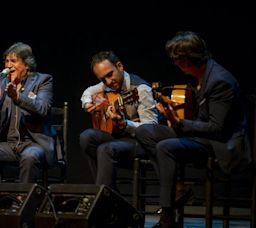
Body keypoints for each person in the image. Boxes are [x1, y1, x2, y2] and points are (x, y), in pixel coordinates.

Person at [135, 31, 251, 228]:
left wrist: (180, 124)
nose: (175, 64)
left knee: (165, 147)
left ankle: (167, 216)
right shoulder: (201, 76)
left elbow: (216, 128)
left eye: (176, 60)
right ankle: (176, 188)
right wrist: (172, 117)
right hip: (202, 135)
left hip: (219, 143)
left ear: (185, 60)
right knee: (144, 131)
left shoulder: (219, 81)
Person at [0, 42, 57, 190]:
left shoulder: (43, 81)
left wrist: (18, 97)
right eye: (6, 61)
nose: (8, 65)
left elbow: (42, 109)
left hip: (34, 143)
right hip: (9, 144)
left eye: (13, 61)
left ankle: (23, 201)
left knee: (30, 156)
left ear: (27, 65)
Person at [79, 50, 158, 191]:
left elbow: (151, 128)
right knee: (86, 137)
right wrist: (88, 104)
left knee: (105, 149)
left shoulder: (141, 89)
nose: (108, 82)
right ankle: (108, 190)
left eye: (110, 75)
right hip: (118, 137)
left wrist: (126, 124)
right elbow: (88, 91)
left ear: (120, 66)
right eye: (103, 79)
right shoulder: (107, 85)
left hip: (139, 142)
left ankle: (103, 197)